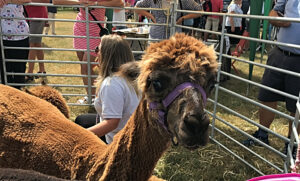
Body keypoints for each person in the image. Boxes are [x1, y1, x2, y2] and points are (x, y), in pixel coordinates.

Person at [242, 0, 300, 158]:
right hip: (279, 52)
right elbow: (274, 12)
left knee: (296, 107)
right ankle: (262, 134)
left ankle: (291, 144)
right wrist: (275, 18)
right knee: (267, 96)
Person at [75, 34, 140, 144]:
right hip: (133, 134)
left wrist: (78, 138)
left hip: (117, 141)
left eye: (98, 50)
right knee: (81, 119)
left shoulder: (111, 84)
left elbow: (112, 123)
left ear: (107, 56)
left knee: (79, 128)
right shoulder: (132, 77)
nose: (96, 53)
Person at [72, 0, 123, 103]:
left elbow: (120, 3)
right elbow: (56, 1)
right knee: (86, 68)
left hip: (96, 32)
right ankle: (91, 96)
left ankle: (96, 97)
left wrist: (95, 4)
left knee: (85, 67)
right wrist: (79, 2)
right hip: (80, 29)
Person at [0, 0, 50, 88]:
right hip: (2, 36)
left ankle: (18, 95)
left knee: (19, 71)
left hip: (20, 35)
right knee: (4, 73)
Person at [135, 0, 202, 40]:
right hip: (156, 36)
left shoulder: (183, 1)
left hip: (175, 36)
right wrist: (150, 15)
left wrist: (183, 18)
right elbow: (136, 7)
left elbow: (200, 11)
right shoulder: (153, 0)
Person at [25, 5, 48, 82]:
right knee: (37, 43)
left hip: (36, 15)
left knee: (33, 44)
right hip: (33, 15)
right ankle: (42, 70)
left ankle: (30, 73)